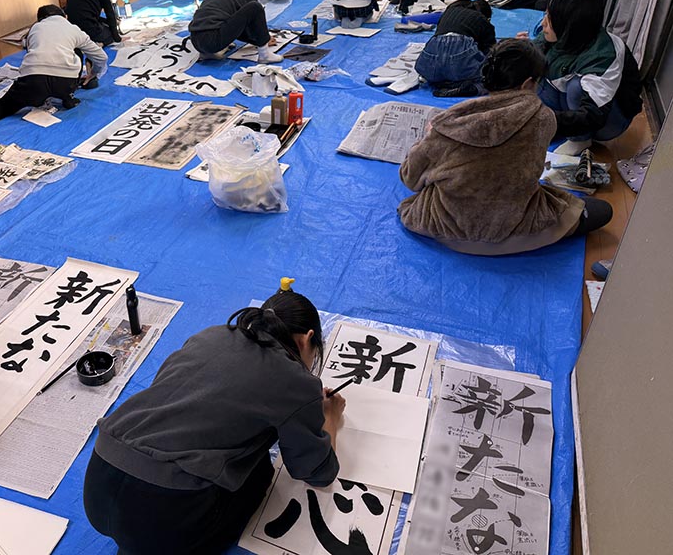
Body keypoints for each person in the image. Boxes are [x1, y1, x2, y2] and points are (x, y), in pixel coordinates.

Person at [83, 288, 344, 554]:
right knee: (259, 471)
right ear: (307, 338)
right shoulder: (297, 382)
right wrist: (331, 418)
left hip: (98, 482)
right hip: (161, 513)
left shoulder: (211, 334)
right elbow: (317, 473)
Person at [398, 39, 612, 256]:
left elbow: (410, 179)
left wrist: (427, 138)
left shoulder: (449, 124)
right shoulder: (543, 118)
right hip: (520, 229)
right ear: (528, 84)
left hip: (444, 227)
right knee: (600, 210)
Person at [0, 5, 107, 138]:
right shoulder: (72, 28)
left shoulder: (34, 29)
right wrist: (94, 74)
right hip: (64, 82)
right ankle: (68, 97)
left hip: (33, 81)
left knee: (5, 104)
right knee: (76, 51)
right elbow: (101, 56)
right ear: (64, 16)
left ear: (40, 20)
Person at [531, 0, 642, 154]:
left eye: (551, 18)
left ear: (571, 23)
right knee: (534, 68)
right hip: (571, 103)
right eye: (546, 14)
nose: (544, 23)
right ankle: (557, 126)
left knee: (576, 86)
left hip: (606, 121)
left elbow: (594, 114)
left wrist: (548, 120)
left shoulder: (604, 54)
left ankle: (580, 140)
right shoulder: (559, 34)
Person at [189, 0, 285, 63]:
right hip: (213, 39)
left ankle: (208, 53)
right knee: (255, 7)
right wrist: (263, 40)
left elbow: (238, 24)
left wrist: (258, 40)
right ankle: (265, 55)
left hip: (196, 40)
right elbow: (252, 25)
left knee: (225, 17)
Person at [415, 0, 496, 97]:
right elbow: (491, 51)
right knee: (491, 76)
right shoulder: (482, 20)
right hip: (459, 56)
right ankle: (472, 88)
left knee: (439, 70)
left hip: (430, 62)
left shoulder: (448, 13)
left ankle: (442, 83)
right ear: (487, 17)